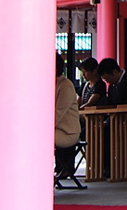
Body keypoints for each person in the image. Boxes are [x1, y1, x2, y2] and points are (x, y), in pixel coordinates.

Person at [54, 54, 82, 184]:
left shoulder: (65, 85)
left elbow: (58, 113)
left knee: (36, 137)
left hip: (67, 132)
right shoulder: (51, 84)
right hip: (54, 130)